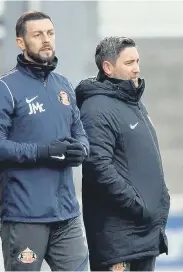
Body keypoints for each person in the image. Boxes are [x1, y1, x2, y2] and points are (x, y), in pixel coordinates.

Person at [0, 11, 89, 271]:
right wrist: (44, 152)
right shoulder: (3, 88)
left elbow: (80, 131)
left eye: (50, 33)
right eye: (37, 35)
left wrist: (82, 149)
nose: (46, 40)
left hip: (67, 215)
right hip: (25, 216)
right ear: (21, 42)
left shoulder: (63, 85)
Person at [75, 36, 170, 271]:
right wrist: (138, 204)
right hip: (118, 239)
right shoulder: (96, 108)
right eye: (129, 63)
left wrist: (161, 199)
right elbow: (98, 166)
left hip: (144, 234)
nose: (136, 68)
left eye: (137, 61)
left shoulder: (134, 104)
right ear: (108, 67)